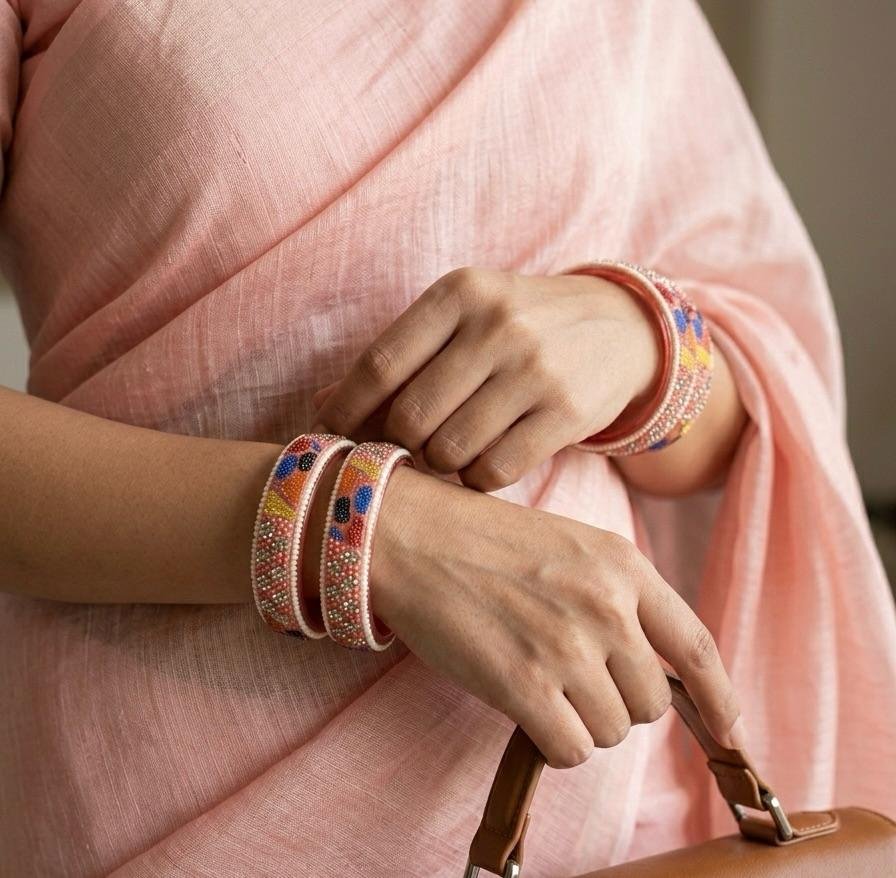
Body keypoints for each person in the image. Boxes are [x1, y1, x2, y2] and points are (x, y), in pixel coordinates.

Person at [0, 1, 893, 875]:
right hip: (177, 799)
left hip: (617, 798)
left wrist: (642, 341)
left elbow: (747, 411)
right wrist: (367, 531)